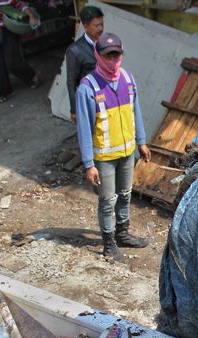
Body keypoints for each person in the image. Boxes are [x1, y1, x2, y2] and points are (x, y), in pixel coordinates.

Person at [75, 33, 151, 261]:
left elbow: (135, 111)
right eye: (108, 55)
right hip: (105, 158)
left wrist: (142, 142)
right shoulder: (87, 88)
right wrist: (89, 164)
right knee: (108, 201)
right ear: (98, 56)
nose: (113, 59)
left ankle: (123, 233)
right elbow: (84, 129)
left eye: (117, 54)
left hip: (127, 153)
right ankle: (109, 244)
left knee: (126, 195)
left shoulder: (127, 79)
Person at [0, 0, 41, 104]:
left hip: (8, 30)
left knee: (12, 61)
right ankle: (5, 91)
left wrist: (31, 15)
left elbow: (19, 4)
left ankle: (32, 76)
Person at [67, 5, 104, 122]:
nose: (101, 28)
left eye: (102, 24)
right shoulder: (75, 50)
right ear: (86, 27)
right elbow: (71, 81)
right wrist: (74, 109)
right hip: (90, 100)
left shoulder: (105, 44)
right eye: (97, 25)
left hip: (106, 97)